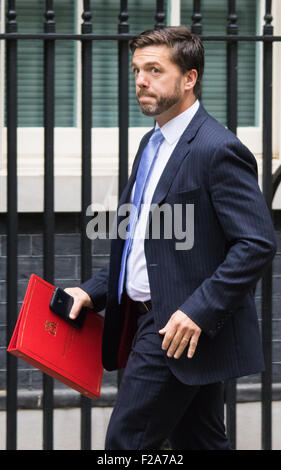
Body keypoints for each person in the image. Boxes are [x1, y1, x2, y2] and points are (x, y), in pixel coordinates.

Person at [65, 26, 276, 450]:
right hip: (148, 318)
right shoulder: (151, 143)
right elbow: (142, 241)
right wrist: (94, 291)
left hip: (175, 327)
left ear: (189, 78)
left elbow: (256, 242)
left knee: (125, 446)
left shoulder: (217, 149)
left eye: (155, 70)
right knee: (200, 443)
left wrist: (198, 310)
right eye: (137, 70)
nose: (141, 80)